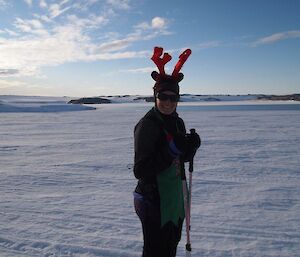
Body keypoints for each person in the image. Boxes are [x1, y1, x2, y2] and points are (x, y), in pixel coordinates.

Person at [133, 47, 201, 257]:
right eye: (163, 96)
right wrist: (172, 150)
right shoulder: (148, 125)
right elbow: (141, 170)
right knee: (156, 251)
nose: (168, 102)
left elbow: (180, 160)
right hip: (154, 200)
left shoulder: (177, 122)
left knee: (170, 247)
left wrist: (190, 149)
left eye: (174, 98)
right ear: (155, 96)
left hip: (175, 198)